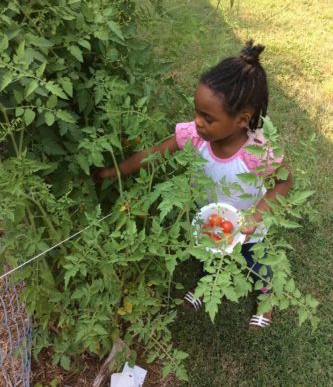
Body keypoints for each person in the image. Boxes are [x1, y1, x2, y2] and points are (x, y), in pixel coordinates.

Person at [93, 40, 292, 329]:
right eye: (197, 112)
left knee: (256, 261)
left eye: (208, 118)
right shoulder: (195, 136)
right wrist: (113, 172)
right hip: (211, 221)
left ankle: (266, 297)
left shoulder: (256, 152)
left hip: (250, 227)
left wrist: (257, 214)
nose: (197, 122)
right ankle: (207, 287)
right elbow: (152, 155)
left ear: (241, 120)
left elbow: (285, 182)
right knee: (209, 254)